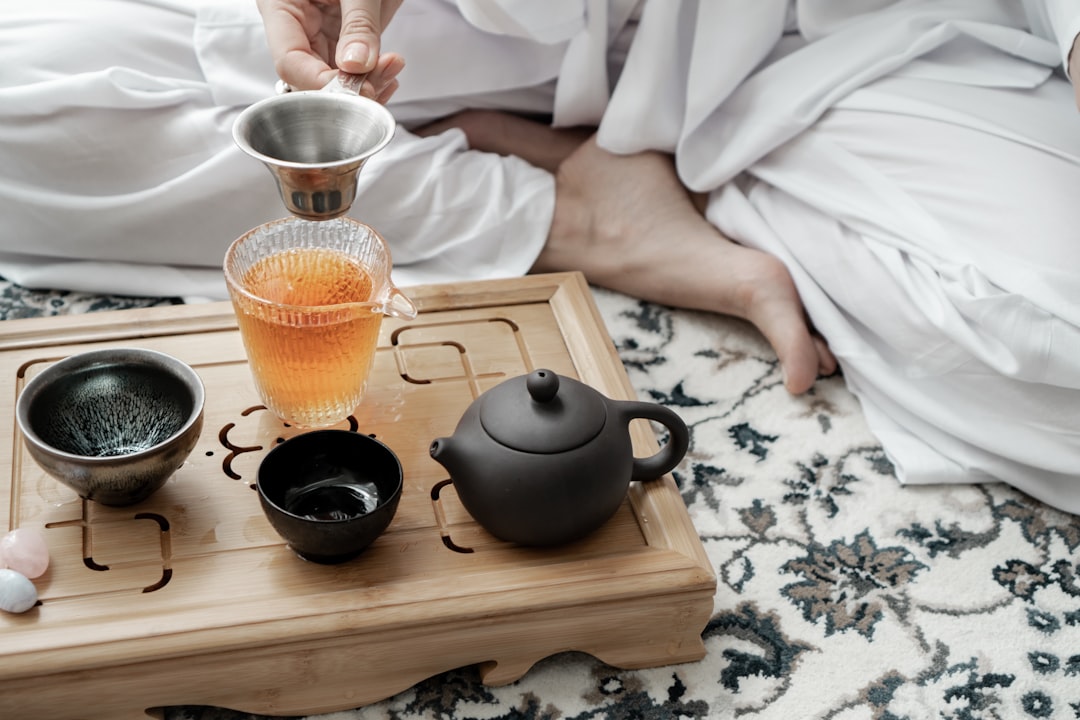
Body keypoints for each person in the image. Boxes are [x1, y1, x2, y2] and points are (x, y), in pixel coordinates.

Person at [3, 1, 1080, 514]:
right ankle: (574, 203)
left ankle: (635, 175)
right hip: (465, 18)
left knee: (1048, 355)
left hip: (843, 34)